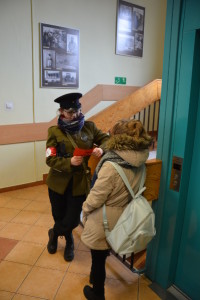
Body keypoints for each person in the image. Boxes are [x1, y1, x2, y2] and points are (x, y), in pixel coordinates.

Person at [81, 119, 153, 300]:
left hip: (104, 217)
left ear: (116, 139)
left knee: (97, 258)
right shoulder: (142, 161)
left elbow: (96, 197)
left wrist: (85, 209)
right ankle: (94, 278)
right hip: (125, 215)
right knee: (104, 252)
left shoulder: (111, 165)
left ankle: (97, 293)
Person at [45, 92, 109, 262]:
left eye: (78, 111)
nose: (75, 115)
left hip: (80, 182)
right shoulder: (54, 131)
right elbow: (49, 159)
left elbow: (108, 140)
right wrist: (69, 162)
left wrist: (101, 149)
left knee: (73, 219)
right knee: (58, 215)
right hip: (57, 182)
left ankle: (55, 233)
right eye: (70, 112)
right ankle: (68, 240)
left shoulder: (89, 127)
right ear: (61, 112)